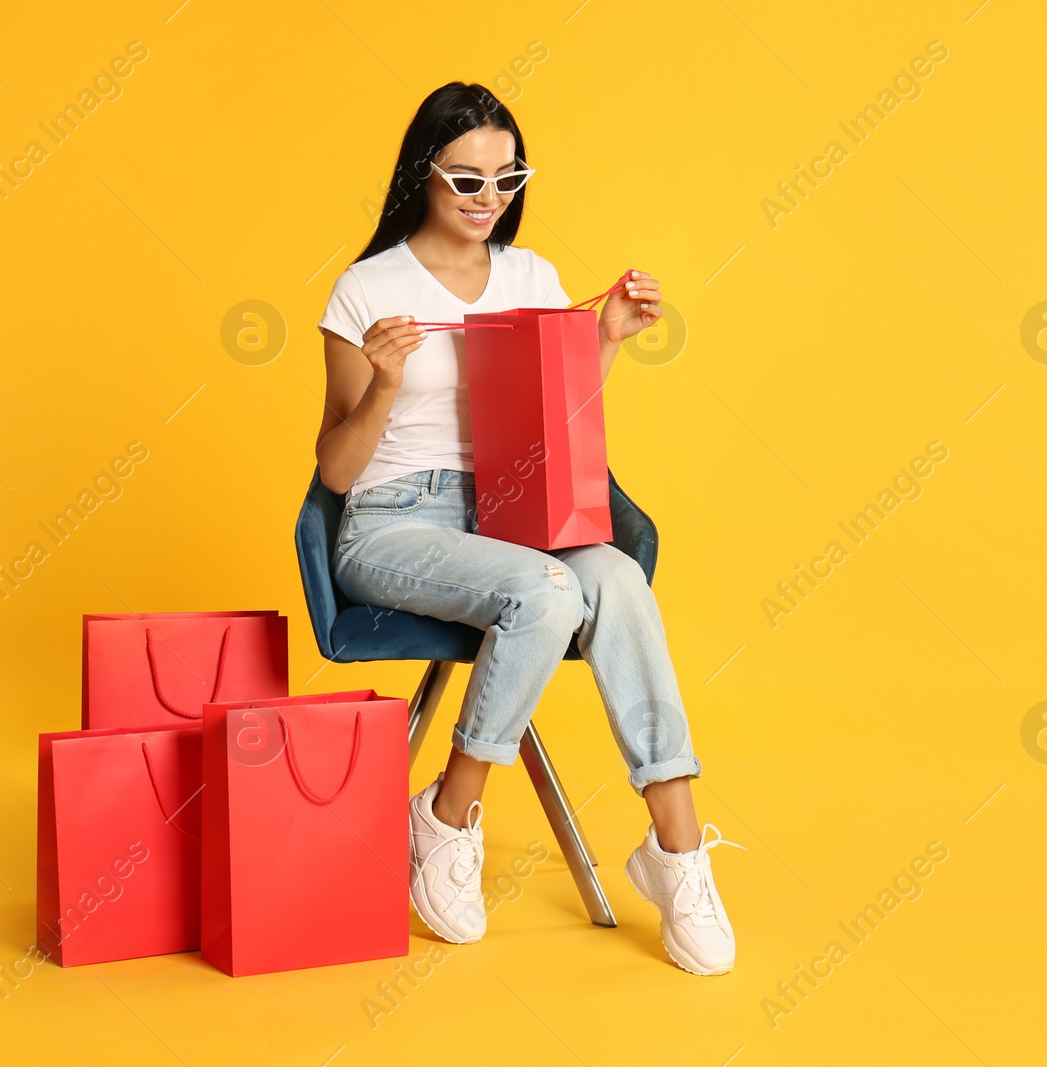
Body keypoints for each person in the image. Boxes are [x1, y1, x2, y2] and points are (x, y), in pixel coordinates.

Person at [314, 82, 742, 976]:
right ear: (421, 175)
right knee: (543, 589)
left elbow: (556, 416)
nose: (487, 200)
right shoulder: (368, 287)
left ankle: (677, 850)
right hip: (394, 524)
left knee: (616, 576)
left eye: (507, 178)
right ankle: (446, 815)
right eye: (465, 180)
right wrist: (386, 384)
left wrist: (609, 339)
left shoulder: (531, 275)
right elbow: (337, 474)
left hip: (511, 511)